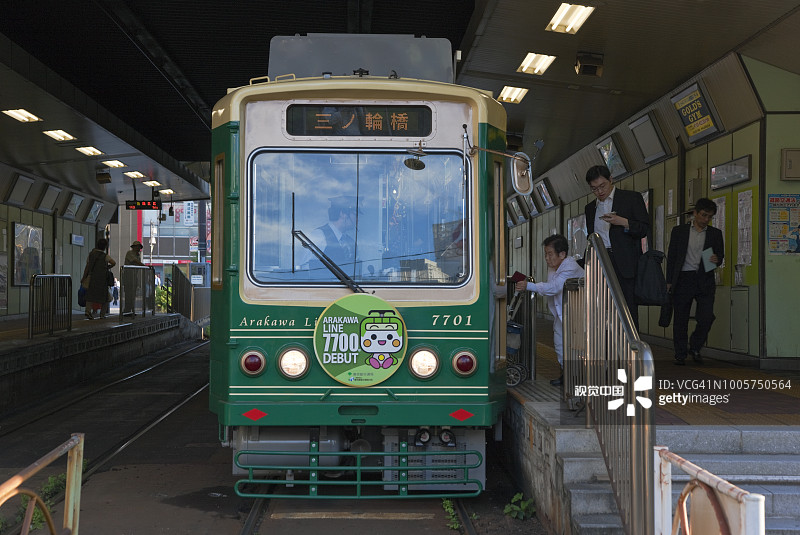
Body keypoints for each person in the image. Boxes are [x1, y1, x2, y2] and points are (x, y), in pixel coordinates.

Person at [584, 165, 649, 331]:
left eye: (602, 186)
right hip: (601, 263)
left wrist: (623, 222)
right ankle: (607, 344)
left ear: (611, 180)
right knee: (604, 310)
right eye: (594, 189)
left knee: (628, 310)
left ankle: (631, 345)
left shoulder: (631, 198)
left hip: (625, 263)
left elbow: (643, 229)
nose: (599, 191)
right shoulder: (590, 208)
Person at [515, 234, 584, 386]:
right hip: (562, 313)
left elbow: (554, 287)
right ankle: (566, 375)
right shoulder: (554, 267)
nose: (547, 258)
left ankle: (580, 377)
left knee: (578, 347)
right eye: (546, 254)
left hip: (579, 313)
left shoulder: (570, 267)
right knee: (560, 344)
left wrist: (529, 286)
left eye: (550, 254)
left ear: (562, 254)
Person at [666, 198, 724, 365]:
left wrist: (716, 260)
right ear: (695, 213)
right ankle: (680, 354)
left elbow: (720, 256)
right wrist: (669, 281)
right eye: (704, 215)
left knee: (706, 317)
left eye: (709, 217)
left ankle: (696, 345)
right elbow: (672, 257)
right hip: (683, 278)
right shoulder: (680, 231)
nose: (706, 219)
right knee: (681, 318)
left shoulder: (715, 234)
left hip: (705, 278)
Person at [299, 196, 359, 276]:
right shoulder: (319, 236)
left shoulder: (350, 242)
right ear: (343, 214)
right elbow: (305, 269)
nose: (357, 219)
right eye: (355, 214)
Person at [81, 238, 116, 319]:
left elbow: (87, 267)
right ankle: (102, 314)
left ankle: (88, 311)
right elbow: (113, 263)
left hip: (92, 277)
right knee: (106, 297)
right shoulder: (105, 256)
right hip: (102, 279)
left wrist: (84, 277)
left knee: (90, 295)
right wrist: (107, 267)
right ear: (105, 246)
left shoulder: (91, 255)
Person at [122, 240, 145, 316]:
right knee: (128, 293)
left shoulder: (138, 255)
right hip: (128, 275)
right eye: (137, 247)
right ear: (134, 247)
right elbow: (135, 261)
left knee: (133, 293)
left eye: (139, 247)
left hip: (134, 275)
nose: (139, 248)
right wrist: (144, 266)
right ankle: (127, 310)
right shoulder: (130, 253)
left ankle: (131, 310)